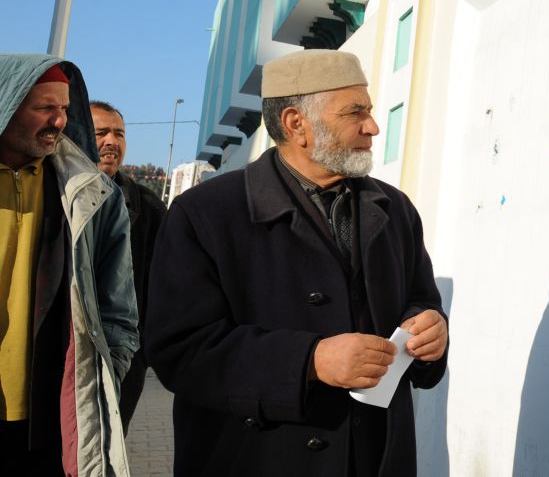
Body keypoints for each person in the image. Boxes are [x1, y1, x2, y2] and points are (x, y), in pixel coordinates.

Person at [146, 50, 449, 476]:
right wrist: (311, 360)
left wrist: (430, 331)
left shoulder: (394, 209)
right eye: (354, 112)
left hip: (375, 456)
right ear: (295, 124)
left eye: (370, 110)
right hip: (255, 457)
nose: (373, 126)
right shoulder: (206, 213)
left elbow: (420, 300)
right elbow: (180, 350)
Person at [0, 54, 138, 474]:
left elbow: (118, 306)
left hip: (50, 416)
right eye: (44, 108)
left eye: (64, 109)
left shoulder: (91, 196)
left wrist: (106, 371)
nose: (59, 121)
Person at [90, 100, 166, 433]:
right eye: (101, 133)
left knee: (109, 445)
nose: (112, 142)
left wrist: (144, 349)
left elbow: (164, 280)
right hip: (58, 352)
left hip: (124, 356)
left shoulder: (146, 205)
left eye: (119, 134)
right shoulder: (52, 194)